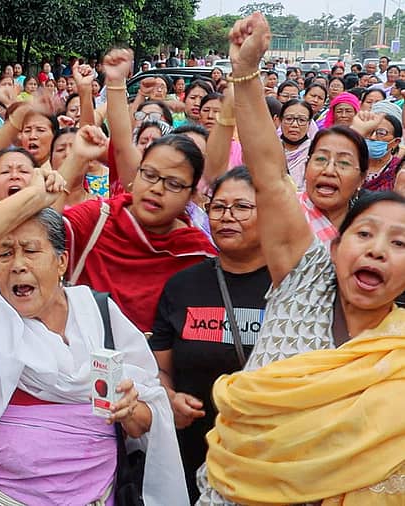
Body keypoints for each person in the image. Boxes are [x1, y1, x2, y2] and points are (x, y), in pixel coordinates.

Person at [197, 14, 405, 504]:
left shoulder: (398, 351)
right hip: (236, 491)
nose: (377, 249)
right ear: (335, 245)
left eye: (399, 244)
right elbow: (268, 174)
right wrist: (247, 73)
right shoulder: (303, 271)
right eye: (366, 234)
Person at [0, 168, 187, 505]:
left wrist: (131, 409)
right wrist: (33, 196)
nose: (17, 264)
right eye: (5, 253)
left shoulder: (99, 314)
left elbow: (145, 418)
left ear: (61, 262)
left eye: (31, 250)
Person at [60, 54, 217, 336]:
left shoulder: (196, 254)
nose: (156, 189)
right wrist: (115, 82)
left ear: (193, 194)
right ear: (135, 176)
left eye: (172, 184)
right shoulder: (98, 218)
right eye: (150, 175)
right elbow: (39, 231)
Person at [149, 167, 270, 502]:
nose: (227, 217)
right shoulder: (182, 285)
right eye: (218, 207)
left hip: (265, 462)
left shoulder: (287, 289)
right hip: (190, 459)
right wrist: (168, 398)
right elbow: (159, 369)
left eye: (242, 207)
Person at [278, 98, 316, 190]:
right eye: (289, 119)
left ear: (309, 123)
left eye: (302, 120)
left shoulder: (315, 151)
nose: (295, 124)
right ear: (280, 120)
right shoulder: (271, 149)